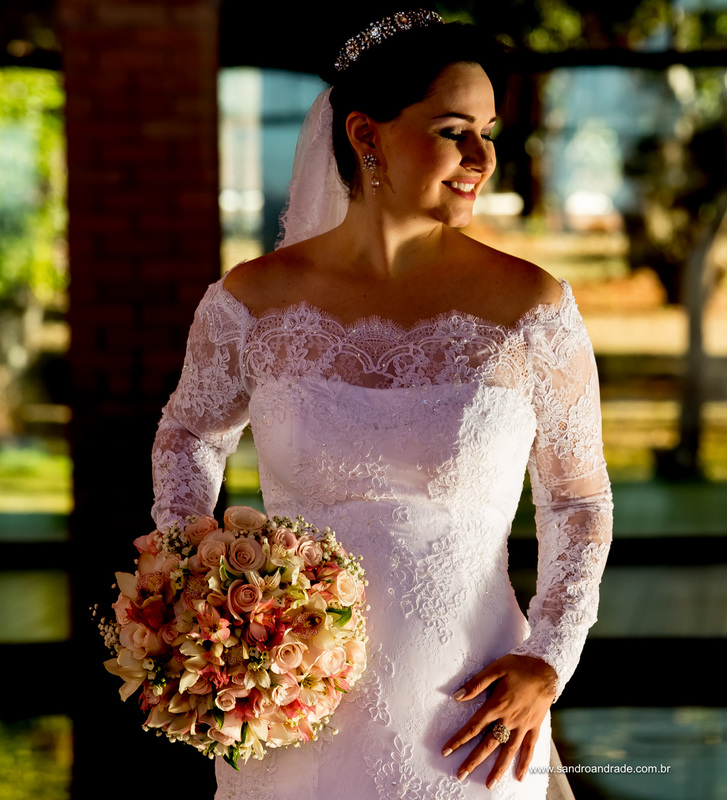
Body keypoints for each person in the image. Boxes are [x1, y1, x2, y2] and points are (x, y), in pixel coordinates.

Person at [149, 8, 612, 799]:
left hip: (472, 721)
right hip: (288, 706)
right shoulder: (251, 302)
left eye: (488, 132)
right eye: (453, 131)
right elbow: (188, 435)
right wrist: (201, 581)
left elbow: (577, 501)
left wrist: (548, 659)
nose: (481, 158)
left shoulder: (531, 307)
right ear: (367, 136)